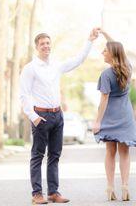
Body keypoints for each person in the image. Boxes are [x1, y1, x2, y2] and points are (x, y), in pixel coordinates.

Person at [20, 28, 99, 205]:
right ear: (37, 47)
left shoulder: (56, 65)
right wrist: (33, 117)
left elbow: (78, 60)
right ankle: (37, 194)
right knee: (37, 155)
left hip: (57, 115)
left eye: (48, 43)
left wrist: (89, 40)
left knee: (55, 155)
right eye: (42, 44)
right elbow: (24, 95)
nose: (46, 46)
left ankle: (53, 193)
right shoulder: (30, 69)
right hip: (41, 116)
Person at [93, 31, 136, 201]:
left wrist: (97, 121)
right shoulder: (127, 68)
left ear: (112, 53)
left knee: (110, 152)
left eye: (105, 50)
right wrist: (104, 33)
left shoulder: (106, 74)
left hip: (109, 116)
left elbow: (104, 99)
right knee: (125, 152)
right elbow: (117, 45)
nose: (102, 53)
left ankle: (109, 187)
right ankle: (125, 186)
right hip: (125, 116)